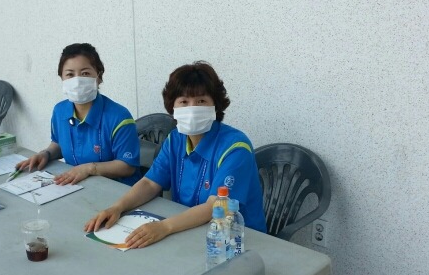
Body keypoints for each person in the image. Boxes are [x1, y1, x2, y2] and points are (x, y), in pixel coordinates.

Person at [85, 61, 266, 248]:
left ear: (215, 106)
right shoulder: (175, 139)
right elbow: (150, 183)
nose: (192, 109)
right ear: (173, 107)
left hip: (236, 241)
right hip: (188, 231)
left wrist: (164, 227)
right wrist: (118, 207)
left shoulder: (236, 147)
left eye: (201, 101)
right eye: (184, 102)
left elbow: (214, 206)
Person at [16, 43, 139, 186]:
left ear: (99, 76)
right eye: (69, 74)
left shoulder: (119, 117)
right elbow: (58, 143)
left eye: (85, 73)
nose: (77, 81)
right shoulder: (59, 111)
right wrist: (45, 154)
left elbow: (128, 166)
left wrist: (89, 169)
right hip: (76, 186)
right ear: (62, 79)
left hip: (117, 190)